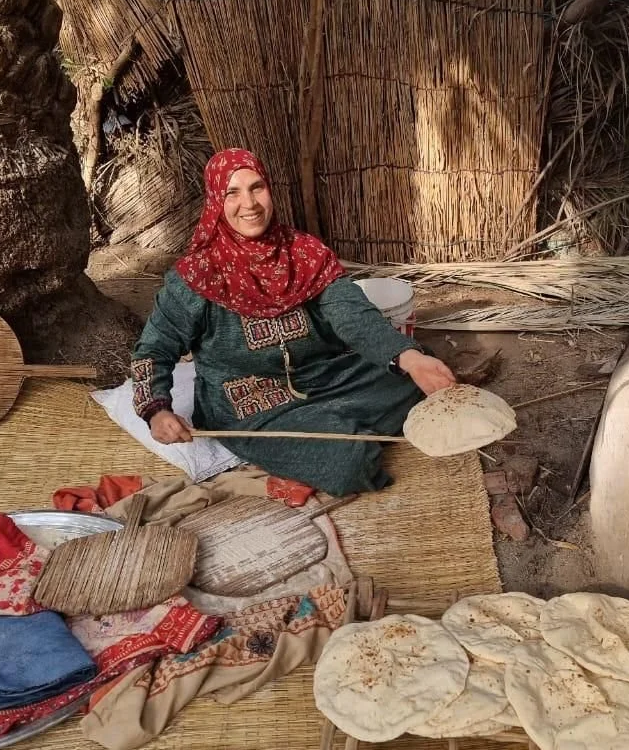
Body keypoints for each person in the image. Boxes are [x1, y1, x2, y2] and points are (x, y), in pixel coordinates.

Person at [131, 148, 456, 496]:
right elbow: (154, 348)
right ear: (215, 202)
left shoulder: (304, 253)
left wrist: (408, 358)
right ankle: (339, 438)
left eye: (257, 187)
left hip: (328, 377)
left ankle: (335, 427)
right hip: (252, 402)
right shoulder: (196, 276)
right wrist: (156, 410)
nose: (249, 204)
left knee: (420, 371)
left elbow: (352, 314)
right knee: (348, 463)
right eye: (232, 193)